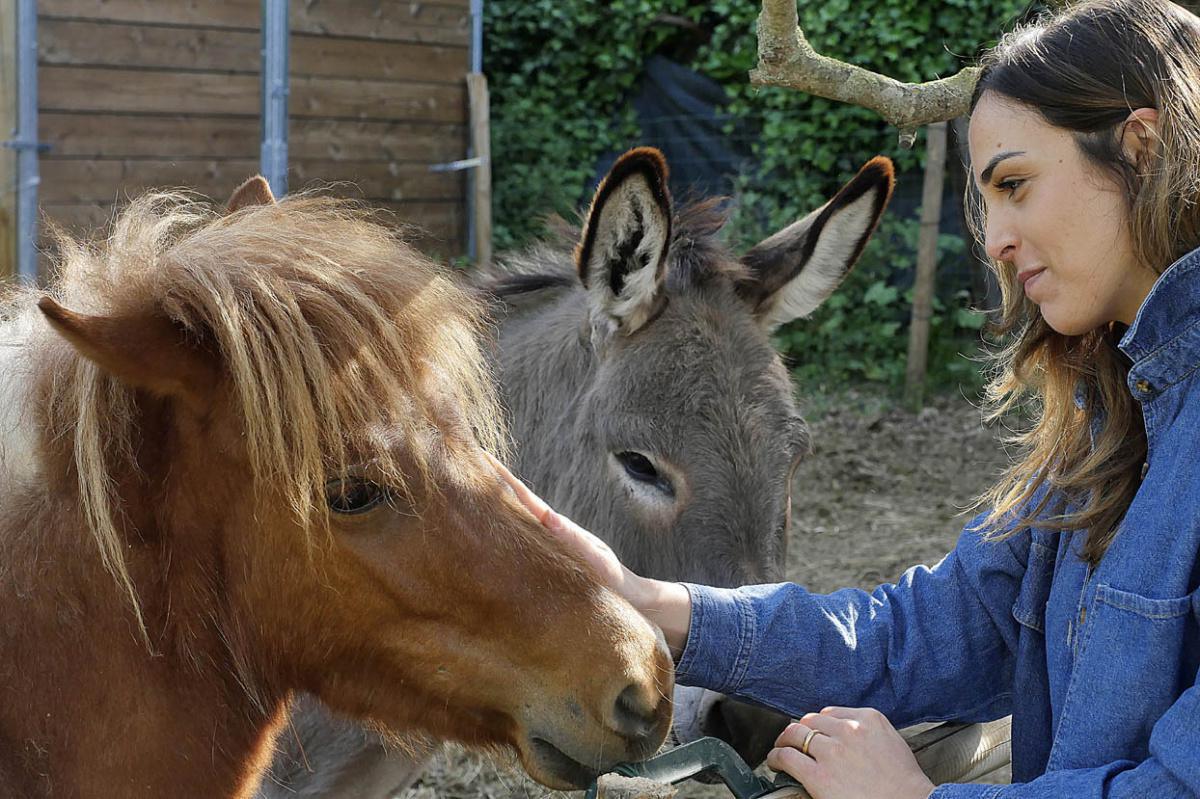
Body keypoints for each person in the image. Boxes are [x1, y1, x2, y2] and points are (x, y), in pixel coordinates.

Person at [488, 0, 1200, 796]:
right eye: (985, 200)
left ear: (1140, 148)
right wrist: (658, 601)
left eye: (1016, 184)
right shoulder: (1105, 426)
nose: (994, 238)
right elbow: (929, 632)